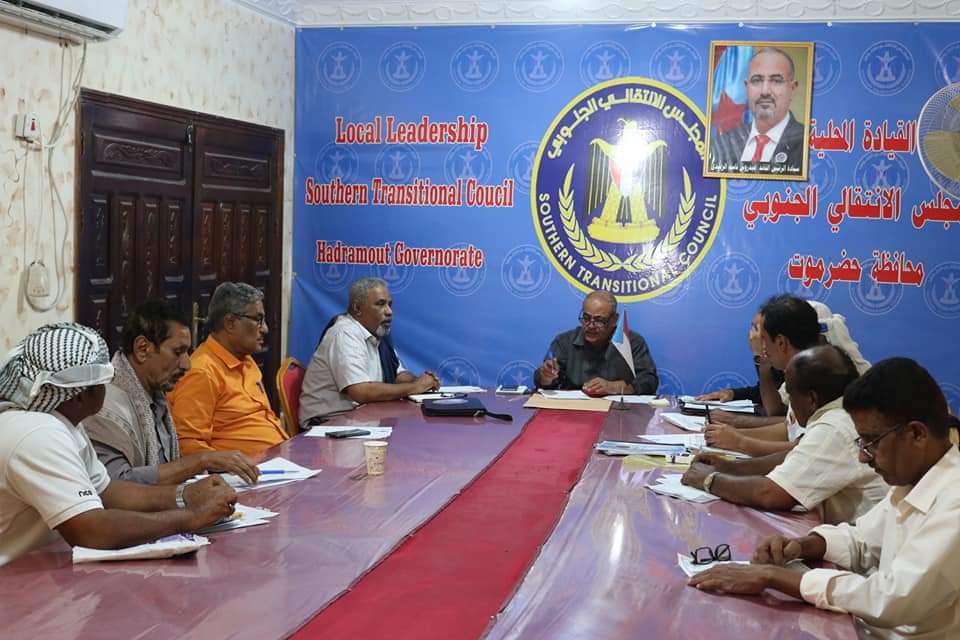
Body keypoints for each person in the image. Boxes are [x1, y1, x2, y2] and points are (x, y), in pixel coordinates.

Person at [689, 357, 960, 639]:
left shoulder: (954, 503)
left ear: (916, 434)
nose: (862, 457)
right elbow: (863, 541)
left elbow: (891, 599)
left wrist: (774, 576)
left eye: (872, 442)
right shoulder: (913, 480)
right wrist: (802, 546)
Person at [0, 322, 237, 566]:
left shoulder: (62, 422)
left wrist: (184, 494)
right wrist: (189, 517)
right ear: (82, 393)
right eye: (104, 382)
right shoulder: (38, 433)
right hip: (13, 580)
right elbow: (91, 531)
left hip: (39, 569)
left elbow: (107, 492)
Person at [682, 345, 887, 524]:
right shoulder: (839, 413)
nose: (788, 404)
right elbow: (793, 457)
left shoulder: (834, 427)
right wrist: (729, 467)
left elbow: (770, 493)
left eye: (790, 393)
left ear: (811, 399)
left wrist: (709, 480)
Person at [85, 301, 259, 485]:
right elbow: (115, 486)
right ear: (142, 349)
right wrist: (201, 461)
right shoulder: (104, 406)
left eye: (187, 352)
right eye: (178, 352)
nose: (187, 364)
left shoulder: (155, 395)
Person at [299, 278, 441, 426]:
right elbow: (360, 391)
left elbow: (397, 375)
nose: (389, 312)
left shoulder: (378, 333)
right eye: (380, 304)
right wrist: (414, 388)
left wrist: (422, 381)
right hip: (327, 423)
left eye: (390, 304)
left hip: (361, 417)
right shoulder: (345, 333)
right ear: (357, 308)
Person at [169, 282, 288, 455]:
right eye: (258, 320)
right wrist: (229, 464)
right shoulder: (202, 372)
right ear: (230, 323)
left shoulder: (247, 360)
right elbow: (188, 444)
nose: (265, 329)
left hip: (280, 460)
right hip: (244, 469)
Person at [705, 294, 822, 457]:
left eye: (763, 336)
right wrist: (732, 435)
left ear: (781, 342)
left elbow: (802, 449)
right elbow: (789, 428)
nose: (759, 344)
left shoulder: (821, 377)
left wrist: (739, 441)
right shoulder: (799, 371)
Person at [534, 290, 658, 396]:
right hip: (574, 409)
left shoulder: (632, 342)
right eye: (586, 318)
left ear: (614, 320)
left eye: (599, 320)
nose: (591, 326)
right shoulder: (564, 341)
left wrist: (613, 387)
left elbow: (649, 381)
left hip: (618, 411)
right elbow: (544, 381)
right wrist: (546, 377)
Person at [710, 46, 805, 175]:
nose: (765, 91)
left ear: (792, 89)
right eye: (757, 80)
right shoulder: (721, 144)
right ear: (746, 88)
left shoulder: (808, 142)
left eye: (776, 81)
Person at [697, 310, 784, 404]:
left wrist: (759, 356)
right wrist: (733, 394)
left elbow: (775, 406)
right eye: (753, 329)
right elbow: (766, 392)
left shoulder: (793, 367)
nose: (752, 337)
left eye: (757, 331)